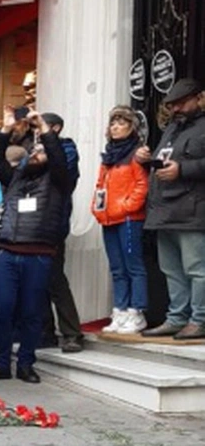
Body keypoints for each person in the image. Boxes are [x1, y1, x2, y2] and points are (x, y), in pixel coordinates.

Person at [0, 110, 74, 386]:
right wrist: (6, 129)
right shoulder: (15, 179)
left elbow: (57, 158)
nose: (36, 153)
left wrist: (43, 129)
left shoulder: (58, 182)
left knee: (32, 314)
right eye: (33, 150)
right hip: (8, 253)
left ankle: (27, 363)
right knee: (1, 311)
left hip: (39, 255)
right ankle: (0, 363)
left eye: (41, 151)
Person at [139, 78, 205, 340]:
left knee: (197, 269)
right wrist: (147, 160)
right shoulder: (172, 129)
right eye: (172, 105)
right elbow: (165, 160)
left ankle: (199, 319)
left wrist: (183, 170)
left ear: (199, 98)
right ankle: (177, 318)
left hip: (193, 210)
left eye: (181, 103)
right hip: (164, 210)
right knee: (171, 270)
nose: (175, 109)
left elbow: (185, 164)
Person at [92, 107, 150, 334]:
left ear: (131, 127)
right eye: (113, 123)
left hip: (128, 219)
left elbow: (141, 185)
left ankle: (137, 312)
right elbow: (100, 186)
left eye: (121, 123)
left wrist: (127, 206)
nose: (115, 127)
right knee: (117, 268)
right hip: (109, 218)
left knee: (133, 266)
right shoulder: (108, 157)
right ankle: (121, 310)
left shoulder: (136, 154)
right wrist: (97, 208)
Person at [38, 112, 84, 353]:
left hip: (53, 223)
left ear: (55, 128)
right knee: (37, 282)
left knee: (55, 279)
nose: (36, 130)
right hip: (31, 223)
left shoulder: (66, 148)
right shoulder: (31, 149)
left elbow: (62, 173)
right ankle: (45, 331)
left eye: (41, 126)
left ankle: (71, 332)